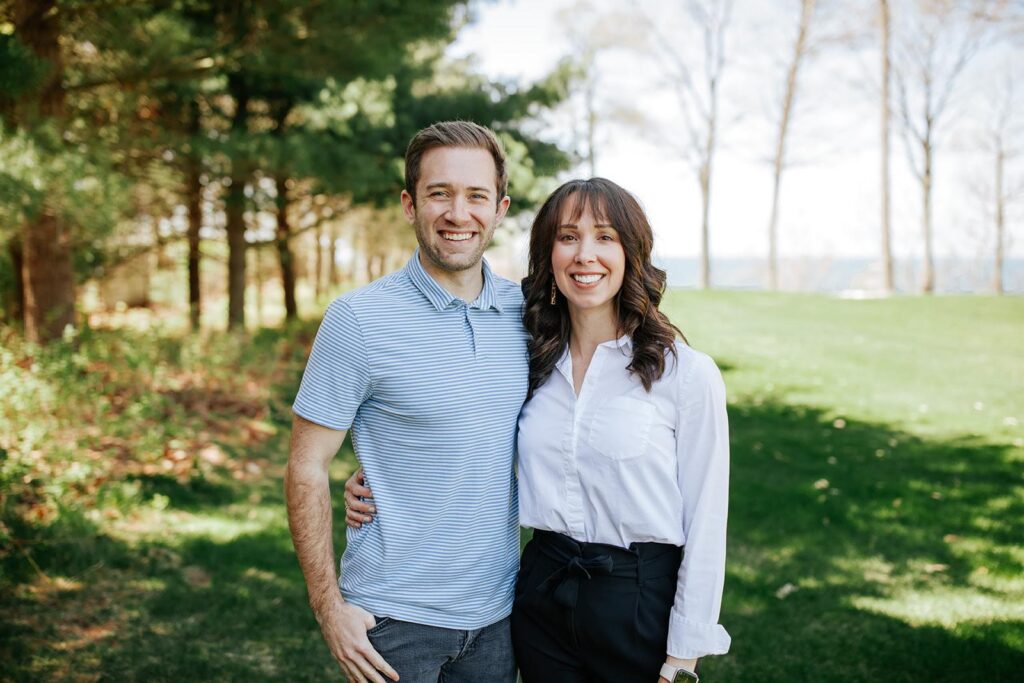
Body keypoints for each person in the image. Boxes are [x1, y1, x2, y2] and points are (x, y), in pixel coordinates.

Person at [347, 177, 731, 682]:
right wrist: (381, 472)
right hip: (542, 594)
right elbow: (466, 426)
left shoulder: (684, 374)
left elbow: (707, 520)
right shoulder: (527, 357)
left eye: (605, 237)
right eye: (568, 237)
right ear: (548, 253)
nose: (584, 255)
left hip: (638, 602)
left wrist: (682, 657)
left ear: (631, 253)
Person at [286, 120, 525, 683]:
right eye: (439, 193)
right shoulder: (359, 320)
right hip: (391, 623)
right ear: (409, 204)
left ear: (500, 208)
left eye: (476, 196)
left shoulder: (529, 315)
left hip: (501, 620)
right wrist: (329, 610)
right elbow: (306, 464)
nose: (457, 213)